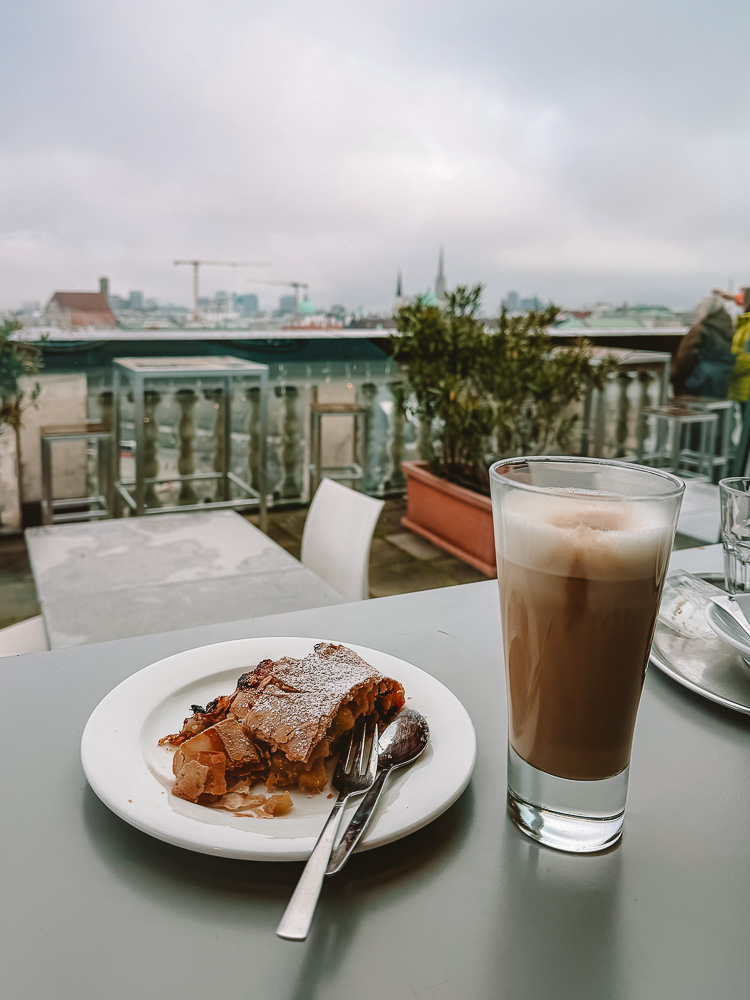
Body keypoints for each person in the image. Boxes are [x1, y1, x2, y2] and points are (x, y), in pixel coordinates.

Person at [670, 295, 735, 398]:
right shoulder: (729, 331)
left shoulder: (699, 330)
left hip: (696, 385)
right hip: (721, 385)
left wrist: (673, 378)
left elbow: (684, 359)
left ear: (705, 310)